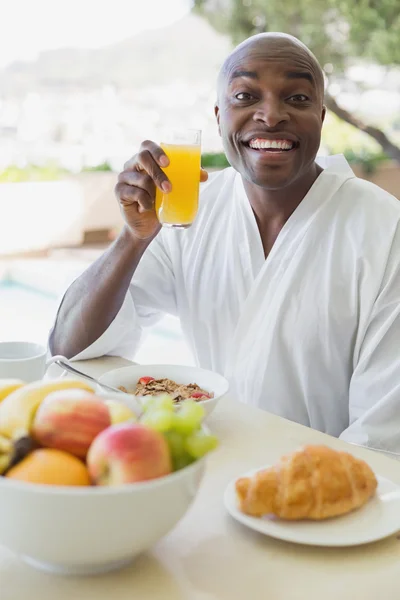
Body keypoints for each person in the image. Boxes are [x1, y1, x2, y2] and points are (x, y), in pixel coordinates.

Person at [49, 32, 400, 453]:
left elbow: (382, 436)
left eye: (298, 98)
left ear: (322, 117)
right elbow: (70, 348)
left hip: (331, 495)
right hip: (210, 468)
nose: (271, 116)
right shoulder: (191, 214)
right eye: (245, 96)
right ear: (219, 117)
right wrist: (132, 239)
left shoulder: (384, 229)